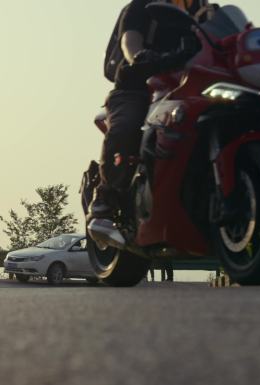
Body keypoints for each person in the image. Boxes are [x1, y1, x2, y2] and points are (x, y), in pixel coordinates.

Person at [87, 0, 206, 250]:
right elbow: (129, 41)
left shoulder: (205, 11)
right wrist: (139, 56)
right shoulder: (141, 7)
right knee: (126, 127)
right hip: (138, 86)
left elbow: (227, 39)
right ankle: (105, 201)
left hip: (188, 86)